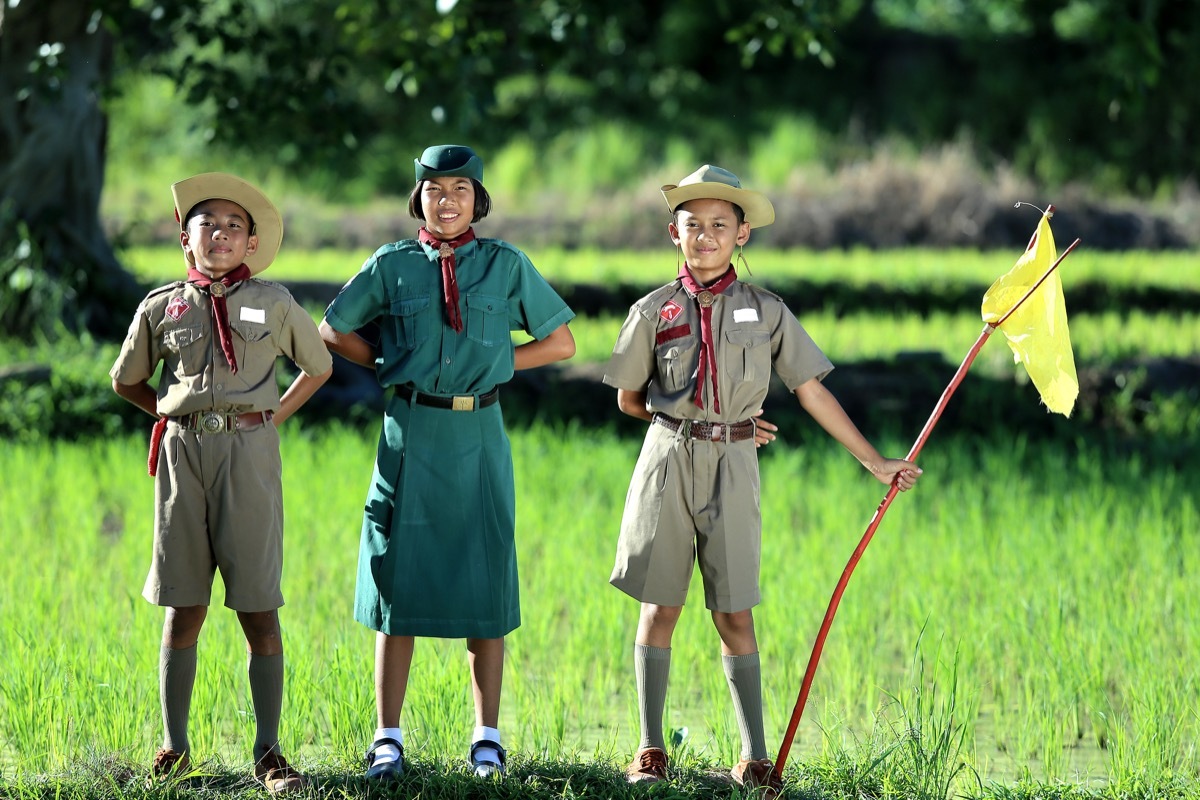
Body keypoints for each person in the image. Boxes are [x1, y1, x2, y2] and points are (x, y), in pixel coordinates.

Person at [604, 165, 922, 795]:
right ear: (674, 233)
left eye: (719, 226)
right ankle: (649, 748)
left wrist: (873, 460)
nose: (705, 237)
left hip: (735, 473)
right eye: (693, 226)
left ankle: (754, 756)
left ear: (741, 235)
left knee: (735, 613)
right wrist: (692, 424)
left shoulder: (767, 311)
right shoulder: (652, 311)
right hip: (666, 464)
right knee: (659, 606)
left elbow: (811, 391)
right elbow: (628, 401)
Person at [318, 144, 576, 782]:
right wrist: (385, 365)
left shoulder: (505, 265)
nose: (447, 200)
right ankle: (387, 739)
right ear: (419, 199)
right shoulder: (392, 265)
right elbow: (330, 329)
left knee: (485, 580)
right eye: (434, 189)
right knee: (394, 582)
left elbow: (562, 341)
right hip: (409, 430)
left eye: (460, 189)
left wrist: (499, 364)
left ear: (478, 201)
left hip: (480, 431)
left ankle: (487, 737)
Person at [110, 172, 333, 793]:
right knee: (185, 604)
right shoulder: (162, 306)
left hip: (249, 453)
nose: (222, 234)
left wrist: (272, 417)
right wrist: (168, 412)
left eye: (235, 226)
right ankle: (174, 747)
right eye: (208, 224)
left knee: (258, 605)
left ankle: (268, 751)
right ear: (187, 240)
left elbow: (317, 366)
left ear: (251, 243)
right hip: (183, 456)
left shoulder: (276, 301)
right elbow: (126, 380)